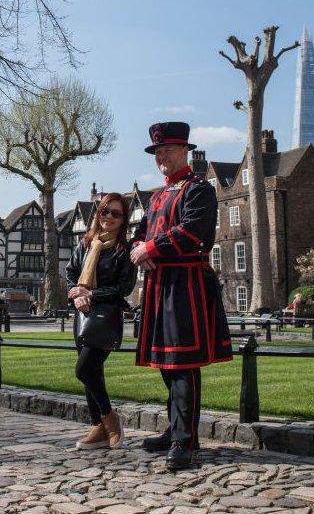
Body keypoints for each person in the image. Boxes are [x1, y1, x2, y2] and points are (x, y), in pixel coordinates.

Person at [129, 122, 233, 470]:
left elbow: (192, 232)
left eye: (167, 150)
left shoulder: (198, 189)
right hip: (160, 285)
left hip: (186, 283)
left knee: (182, 362)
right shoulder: (158, 195)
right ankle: (177, 429)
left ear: (184, 151)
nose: (161, 157)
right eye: (157, 152)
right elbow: (140, 233)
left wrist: (149, 250)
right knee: (165, 362)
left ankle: (184, 442)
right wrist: (137, 248)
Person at [66, 193, 136, 450]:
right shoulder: (86, 243)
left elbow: (124, 287)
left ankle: (110, 419)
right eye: (105, 211)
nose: (108, 217)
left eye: (115, 213)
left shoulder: (124, 250)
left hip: (105, 317)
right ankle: (98, 429)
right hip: (82, 315)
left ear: (123, 220)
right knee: (92, 374)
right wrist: (75, 293)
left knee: (84, 369)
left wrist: (91, 294)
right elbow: (71, 272)